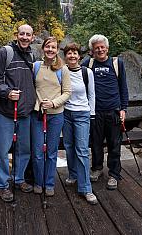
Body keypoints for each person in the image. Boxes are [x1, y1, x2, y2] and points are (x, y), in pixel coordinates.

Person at [0, 24, 36, 202]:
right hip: (6, 111)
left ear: (33, 37)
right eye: (22, 34)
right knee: (1, 150)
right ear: (17, 35)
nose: (24, 37)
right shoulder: (5, 52)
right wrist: (7, 92)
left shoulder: (32, 56)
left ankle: (19, 179)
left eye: (28, 34)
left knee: (24, 149)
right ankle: (2, 185)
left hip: (25, 112)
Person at [82, 34, 129, 190]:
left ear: (107, 48)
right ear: (92, 50)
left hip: (114, 111)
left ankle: (114, 174)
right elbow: (73, 72)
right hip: (95, 112)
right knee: (95, 143)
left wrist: (124, 109)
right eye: (97, 48)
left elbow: (123, 87)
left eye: (102, 47)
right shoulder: (88, 64)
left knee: (114, 144)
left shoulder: (117, 63)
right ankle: (96, 169)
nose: (100, 49)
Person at [31, 36, 71, 197]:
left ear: (57, 50)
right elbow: (31, 88)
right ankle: (38, 182)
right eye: (47, 47)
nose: (50, 50)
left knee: (52, 151)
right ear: (43, 48)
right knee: (38, 151)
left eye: (53, 47)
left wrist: (54, 103)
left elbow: (67, 92)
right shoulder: (35, 66)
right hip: (37, 115)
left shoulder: (63, 69)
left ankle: (49, 183)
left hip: (56, 116)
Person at [63, 43, 98, 205]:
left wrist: (91, 115)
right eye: (69, 53)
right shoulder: (62, 71)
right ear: (65, 56)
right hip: (65, 114)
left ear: (79, 56)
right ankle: (73, 174)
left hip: (82, 114)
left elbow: (92, 94)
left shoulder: (87, 72)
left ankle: (86, 188)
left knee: (82, 150)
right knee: (69, 146)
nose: (72, 56)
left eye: (74, 53)